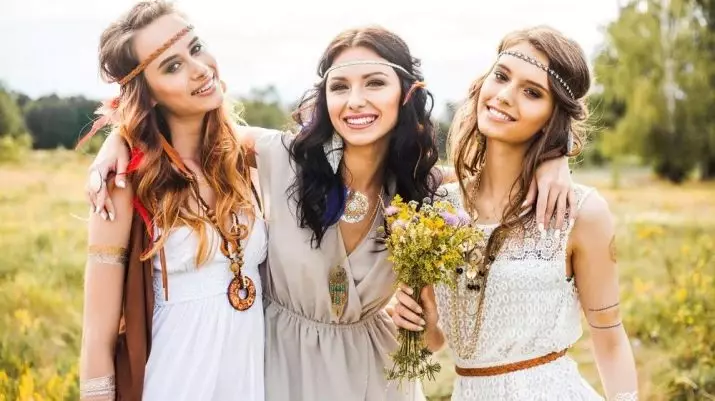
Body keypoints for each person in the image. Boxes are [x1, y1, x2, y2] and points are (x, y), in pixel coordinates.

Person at [84, 24, 576, 401]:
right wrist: (119, 139)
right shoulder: (280, 157)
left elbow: (432, 342)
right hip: (280, 375)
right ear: (324, 96)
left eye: (375, 83)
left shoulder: (427, 191)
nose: (355, 101)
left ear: (406, 94)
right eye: (340, 86)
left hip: (379, 380)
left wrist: (558, 155)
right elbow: (178, 128)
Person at [390, 25, 639, 401]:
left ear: (554, 116)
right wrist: (415, 318)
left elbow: (610, 338)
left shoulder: (581, 214)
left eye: (532, 92)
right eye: (502, 76)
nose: (505, 96)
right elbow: (436, 342)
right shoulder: (437, 207)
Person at [78, 2, 266, 400]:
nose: (198, 68)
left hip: (252, 383)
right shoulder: (123, 182)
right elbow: (97, 338)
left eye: (195, 48)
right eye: (172, 66)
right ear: (146, 95)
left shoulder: (248, 159)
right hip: (175, 382)